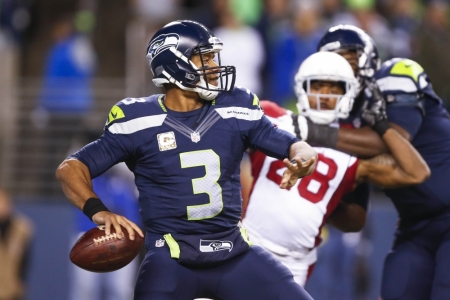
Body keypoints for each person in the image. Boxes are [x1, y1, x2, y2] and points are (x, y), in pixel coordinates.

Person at [56, 20, 317, 300]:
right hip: (172, 260)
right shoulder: (138, 121)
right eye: (204, 58)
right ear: (174, 65)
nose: (215, 67)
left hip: (234, 254)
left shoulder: (235, 107)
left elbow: (294, 145)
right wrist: (98, 211)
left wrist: (303, 158)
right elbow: (71, 169)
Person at [241, 51, 430, 287]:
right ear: (302, 88)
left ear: (348, 94)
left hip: (294, 262)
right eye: (317, 86)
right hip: (247, 243)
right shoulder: (273, 116)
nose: (324, 95)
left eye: (334, 88)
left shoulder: (352, 153)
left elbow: (416, 172)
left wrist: (381, 124)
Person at [305, 24, 450, 300]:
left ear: (370, 58)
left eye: (349, 60)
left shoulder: (398, 74)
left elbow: (392, 141)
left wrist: (313, 132)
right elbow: (356, 219)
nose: (344, 71)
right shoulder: (341, 128)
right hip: (414, 226)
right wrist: (321, 201)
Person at [0, 187, 34, 300]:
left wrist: (21, 282)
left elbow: (25, 260)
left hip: (13, 288)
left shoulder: (22, 228)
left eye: (4, 201)